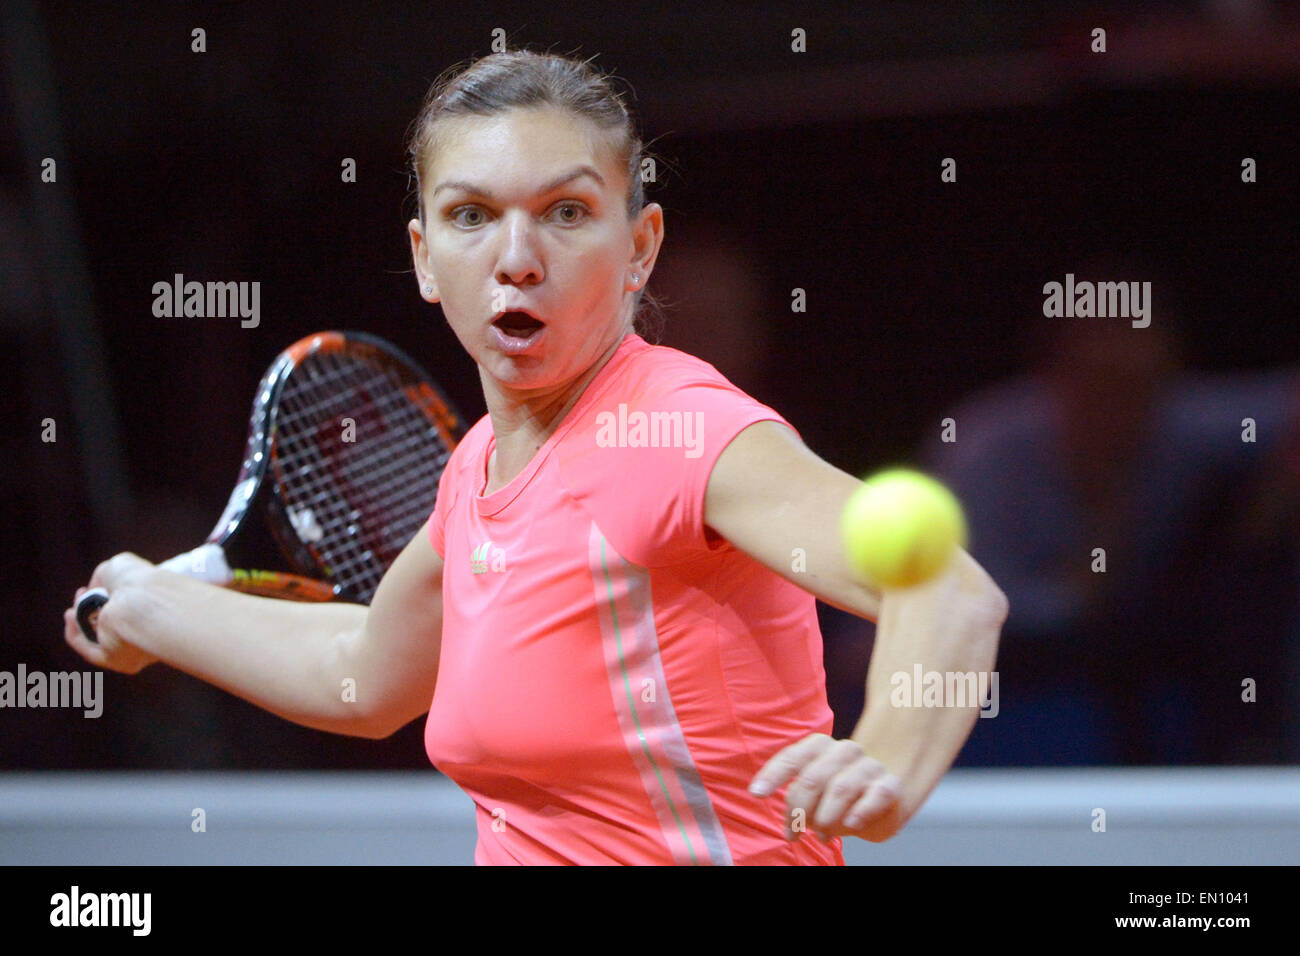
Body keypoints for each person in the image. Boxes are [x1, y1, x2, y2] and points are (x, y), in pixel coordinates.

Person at [64, 48, 1007, 865]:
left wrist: (885, 758)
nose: (516, 255)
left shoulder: (681, 433)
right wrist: (159, 608)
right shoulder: (475, 470)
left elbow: (950, 593)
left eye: (565, 212)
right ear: (426, 259)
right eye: (471, 216)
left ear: (640, 247)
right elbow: (360, 672)